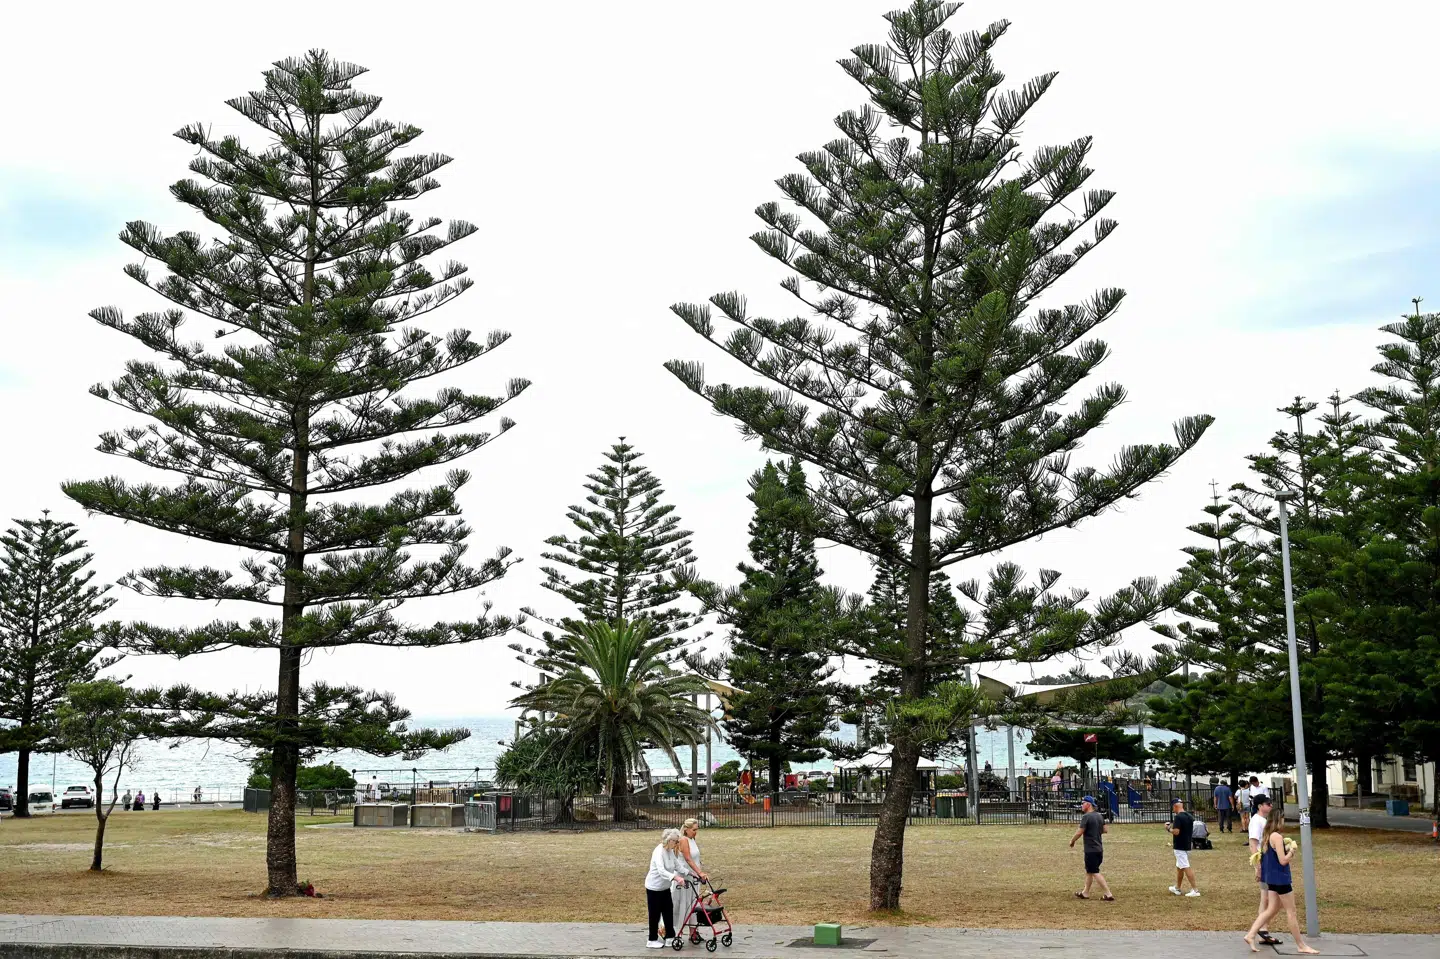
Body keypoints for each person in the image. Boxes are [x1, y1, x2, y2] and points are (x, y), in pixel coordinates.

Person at [1245, 813, 1318, 953]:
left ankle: (1251, 934)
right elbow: (1283, 860)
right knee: (1291, 912)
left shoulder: (1267, 836)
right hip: (1281, 879)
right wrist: (1292, 851)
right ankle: (1301, 945)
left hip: (1271, 879)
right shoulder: (1277, 837)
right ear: (1279, 820)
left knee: (1271, 908)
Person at [644, 828, 690, 948]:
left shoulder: (670, 851)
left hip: (665, 888)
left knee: (668, 912)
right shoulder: (658, 852)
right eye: (675, 841)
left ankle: (670, 937)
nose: (677, 844)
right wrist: (676, 878)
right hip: (654, 888)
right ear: (669, 840)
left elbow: (677, 865)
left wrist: (691, 873)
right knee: (654, 914)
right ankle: (652, 939)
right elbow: (661, 871)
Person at [1247, 795, 1282, 946]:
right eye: (1268, 804)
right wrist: (1258, 866)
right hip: (1265, 863)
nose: (1270, 806)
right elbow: (1253, 844)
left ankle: (1263, 931)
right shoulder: (1256, 821)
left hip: (1270, 862)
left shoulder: (1264, 820)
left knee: (1268, 898)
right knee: (1267, 898)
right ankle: (1262, 931)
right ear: (1260, 805)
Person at [1068, 795, 1114, 901]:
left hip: (1091, 849)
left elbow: (1080, 832)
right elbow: (1105, 830)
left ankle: (1108, 893)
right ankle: (1085, 893)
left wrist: (1072, 841)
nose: (1081, 805)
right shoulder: (1099, 816)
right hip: (1099, 849)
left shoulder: (1086, 817)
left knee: (1094, 872)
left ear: (1088, 804)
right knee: (1090, 871)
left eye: (1083, 803)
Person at [675, 818, 709, 933]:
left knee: (693, 903)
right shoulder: (683, 840)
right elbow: (688, 859)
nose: (696, 832)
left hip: (694, 877)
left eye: (697, 829)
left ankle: (693, 932)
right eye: (694, 830)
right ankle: (675, 931)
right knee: (681, 904)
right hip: (684, 876)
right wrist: (699, 872)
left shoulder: (692, 839)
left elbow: (694, 857)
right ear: (686, 829)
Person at [1167, 799, 1200, 897]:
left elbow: (1176, 831)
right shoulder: (1189, 816)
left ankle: (1195, 890)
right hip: (1187, 844)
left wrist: (1168, 828)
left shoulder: (1178, 817)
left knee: (1185, 866)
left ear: (1175, 806)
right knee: (1180, 867)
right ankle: (1177, 888)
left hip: (1179, 846)